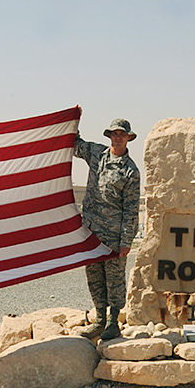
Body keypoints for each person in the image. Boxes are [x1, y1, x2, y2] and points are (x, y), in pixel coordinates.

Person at [74, 118, 141, 341]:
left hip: (114, 235)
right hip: (91, 232)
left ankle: (113, 322)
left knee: (114, 279)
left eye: (122, 134)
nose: (118, 137)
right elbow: (74, 144)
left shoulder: (130, 171)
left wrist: (126, 240)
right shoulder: (96, 154)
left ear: (129, 138)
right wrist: (73, 119)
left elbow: (131, 208)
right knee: (94, 277)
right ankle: (100, 320)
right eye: (114, 133)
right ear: (109, 136)